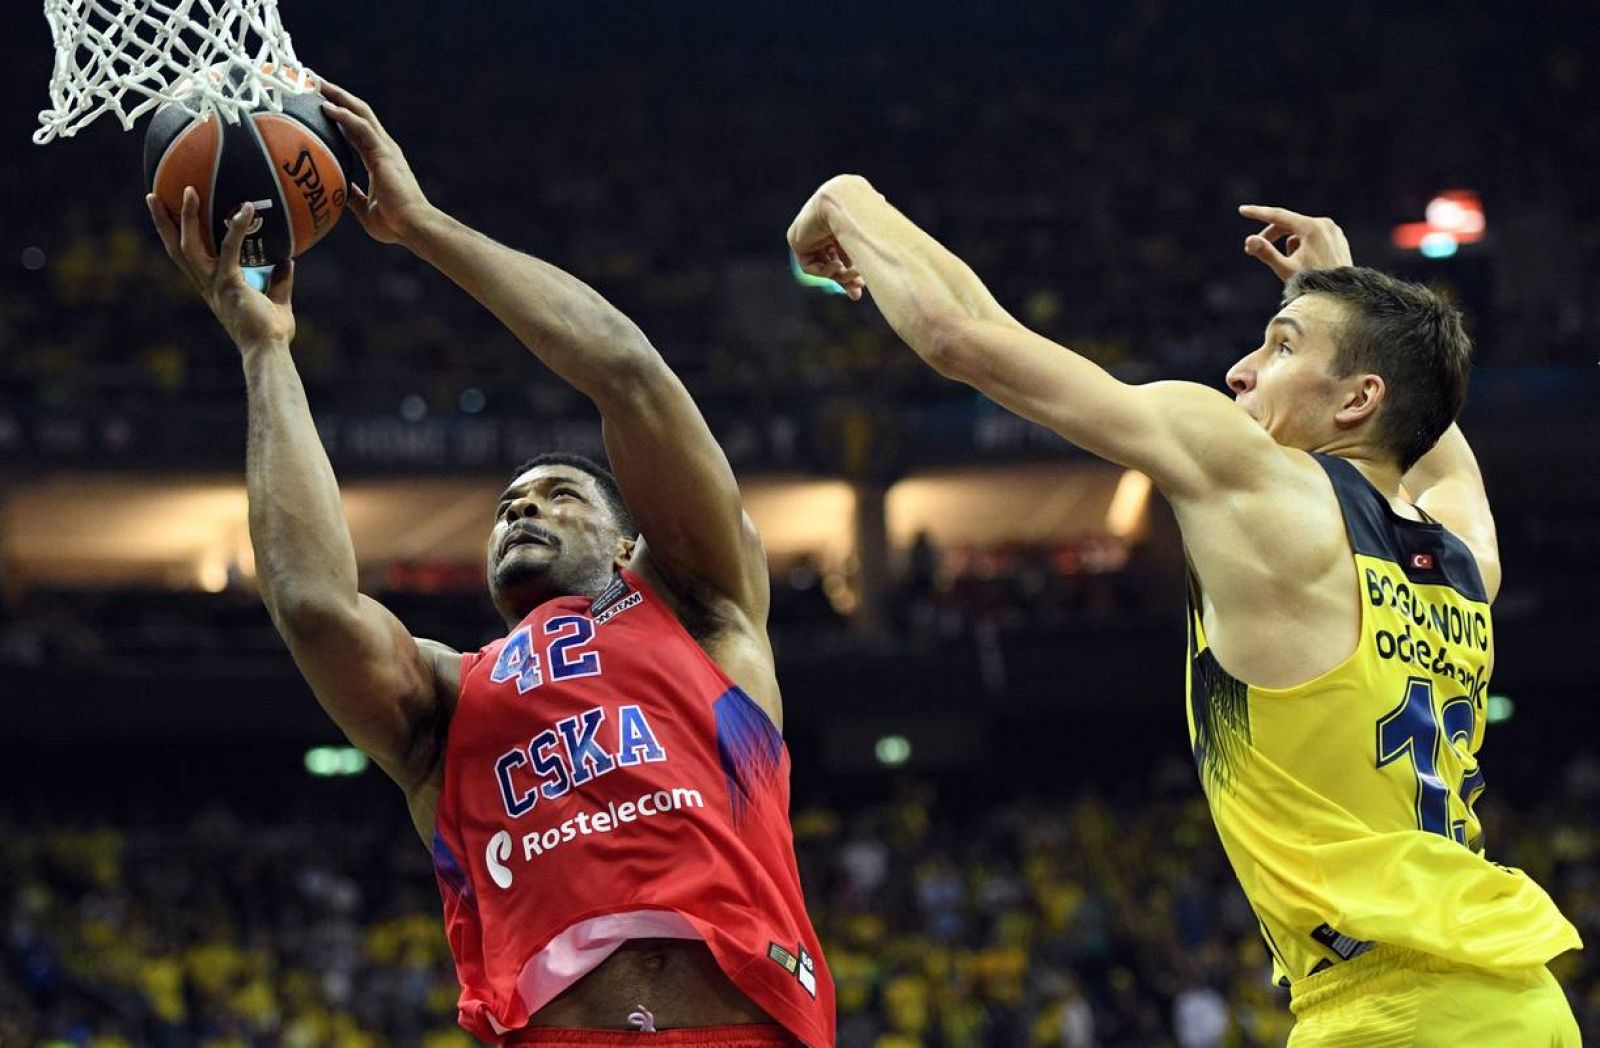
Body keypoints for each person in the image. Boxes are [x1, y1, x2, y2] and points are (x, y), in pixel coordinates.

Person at [787, 179, 1581, 1043]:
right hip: (1523, 1002)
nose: (1240, 370)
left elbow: (964, 338)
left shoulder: (1254, 474)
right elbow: (1436, 449)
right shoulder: (1468, 558)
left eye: (1279, 347)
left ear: (1356, 400)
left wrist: (846, 200)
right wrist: (1344, 290)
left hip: (1389, 1013)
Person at [143, 82, 834, 1048]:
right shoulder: (452, 699)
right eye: (509, 504)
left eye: (559, 495)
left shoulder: (699, 606)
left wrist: (422, 226)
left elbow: (628, 374)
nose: (522, 508)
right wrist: (266, 350)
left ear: (629, 543)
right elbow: (313, 604)